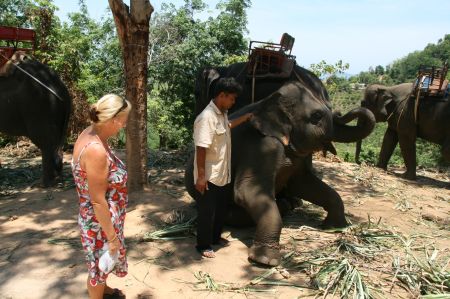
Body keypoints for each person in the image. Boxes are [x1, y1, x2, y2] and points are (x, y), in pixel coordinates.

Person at [71, 94, 131, 299]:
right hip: (100, 222)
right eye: (123, 120)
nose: (124, 125)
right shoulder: (96, 150)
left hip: (102, 219)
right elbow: (97, 200)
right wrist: (113, 238)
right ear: (113, 120)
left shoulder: (90, 132)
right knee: (97, 269)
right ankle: (97, 293)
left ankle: (104, 289)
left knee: (104, 262)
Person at [193, 77, 252, 258]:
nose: (233, 102)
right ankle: (203, 245)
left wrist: (246, 118)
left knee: (220, 209)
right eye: (232, 98)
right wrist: (201, 177)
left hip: (222, 173)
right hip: (209, 175)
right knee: (207, 211)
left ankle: (215, 237)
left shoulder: (222, 113)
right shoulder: (206, 118)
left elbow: (228, 126)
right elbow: (201, 147)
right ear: (222, 95)